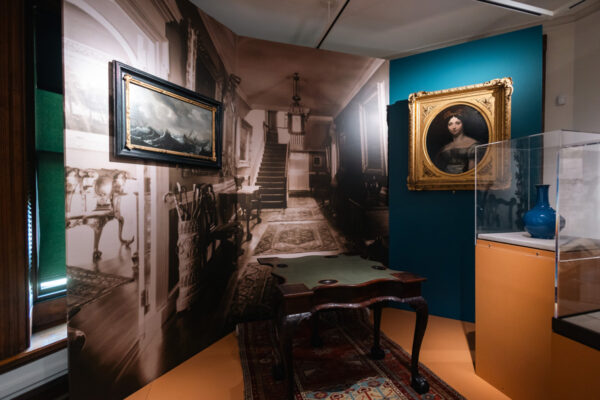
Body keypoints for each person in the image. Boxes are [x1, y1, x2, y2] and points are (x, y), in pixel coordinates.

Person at [434, 109, 480, 174]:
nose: (454, 127)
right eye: (450, 124)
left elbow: (472, 171)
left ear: (463, 124)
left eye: (457, 123)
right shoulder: (445, 147)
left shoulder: (473, 144)